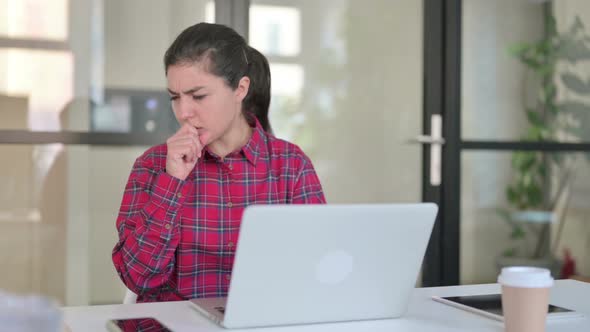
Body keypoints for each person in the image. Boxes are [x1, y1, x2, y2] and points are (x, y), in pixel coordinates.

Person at [112, 23, 326, 303]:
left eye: (198, 96)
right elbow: (138, 277)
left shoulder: (291, 166)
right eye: (175, 97)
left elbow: (317, 271)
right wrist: (172, 181)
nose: (184, 112)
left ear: (240, 89)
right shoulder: (153, 165)